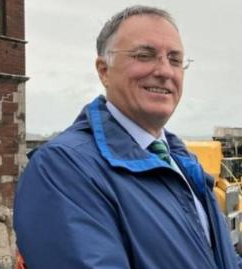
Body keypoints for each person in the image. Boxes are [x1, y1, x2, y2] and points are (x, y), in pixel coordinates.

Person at [14, 5, 241, 269]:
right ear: (104, 70)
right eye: (145, 55)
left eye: (175, 59)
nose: (165, 71)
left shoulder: (184, 163)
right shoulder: (63, 169)